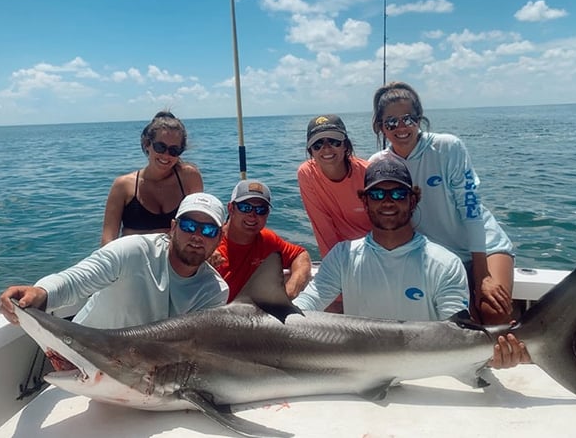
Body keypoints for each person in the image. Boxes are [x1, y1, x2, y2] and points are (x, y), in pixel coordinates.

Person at [294, 156, 527, 369]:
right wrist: (276, 319)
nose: (387, 202)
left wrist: (492, 356)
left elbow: (456, 332)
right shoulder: (342, 256)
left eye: (397, 194)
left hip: (427, 372)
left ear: (413, 200)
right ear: (364, 202)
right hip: (362, 369)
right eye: (376, 195)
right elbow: (310, 301)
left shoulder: (445, 264)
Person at [369, 81, 515, 325]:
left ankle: (517, 324)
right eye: (391, 122)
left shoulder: (448, 147)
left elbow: (471, 210)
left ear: (419, 119)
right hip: (439, 258)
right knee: (464, 326)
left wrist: (482, 277)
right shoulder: (379, 164)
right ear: (381, 127)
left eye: (408, 118)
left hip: (484, 246)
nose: (401, 127)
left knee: (493, 313)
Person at [0, 193, 229, 329]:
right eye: (189, 226)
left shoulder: (214, 291)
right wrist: (41, 293)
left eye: (209, 230)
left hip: (147, 371)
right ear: (173, 227)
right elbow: (75, 280)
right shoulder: (133, 250)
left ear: (219, 238)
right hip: (82, 359)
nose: (197, 236)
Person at [101, 110, 204, 246]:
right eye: (160, 147)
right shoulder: (124, 186)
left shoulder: (189, 177)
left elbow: (201, 223)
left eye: (174, 150)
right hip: (134, 262)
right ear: (147, 144)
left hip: (176, 263)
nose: (166, 155)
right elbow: (108, 241)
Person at [214, 179, 312, 301]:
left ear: (268, 214)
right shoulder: (211, 244)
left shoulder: (267, 239)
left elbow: (301, 255)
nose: (252, 215)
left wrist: (290, 291)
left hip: (253, 312)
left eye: (261, 210)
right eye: (245, 207)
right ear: (231, 208)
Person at [297, 114, 371, 258]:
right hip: (341, 255)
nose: (326, 149)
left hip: (376, 249)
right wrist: (333, 267)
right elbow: (323, 229)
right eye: (317, 144)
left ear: (345, 145)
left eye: (334, 141)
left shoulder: (368, 173)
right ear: (311, 150)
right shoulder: (306, 174)